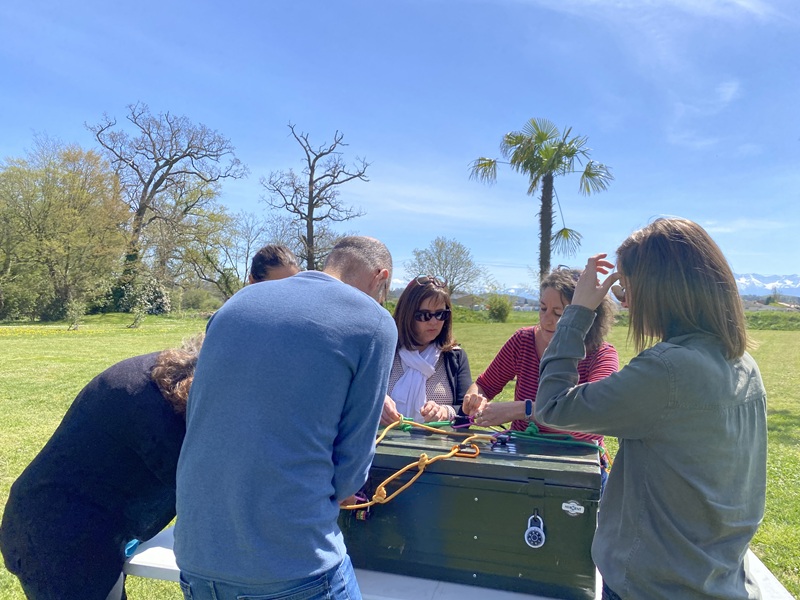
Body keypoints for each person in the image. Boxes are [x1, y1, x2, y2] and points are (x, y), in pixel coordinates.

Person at [535, 218, 767, 600]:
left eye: (626, 287)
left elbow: (552, 406)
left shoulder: (666, 371)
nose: (624, 302)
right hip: (720, 579)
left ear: (660, 289)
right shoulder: (744, 364)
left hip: (651, 585)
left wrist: (578, 313)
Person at [174, 236, 397, 600]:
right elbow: (352, 467)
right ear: (380, 278)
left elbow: (206, 417)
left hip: (197, 557)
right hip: (294, 564)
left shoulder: (237, 303)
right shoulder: (374, 322)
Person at [0, 336, 203, 600]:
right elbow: (207, 493)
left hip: (83, 526)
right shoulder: (149, 405)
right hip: (57, 534)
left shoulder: (167, 375)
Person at [463, 267, 618, 453]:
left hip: (578, 457)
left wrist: (523, 409)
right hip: (521, 450)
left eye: (559, 313)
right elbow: (485, 385)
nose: (546, 320)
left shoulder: (601, 355)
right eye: (543, 308)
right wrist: (474, 399)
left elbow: (594, 412)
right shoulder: (523, 340)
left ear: (585, 316)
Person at [381, 275, 472, 425]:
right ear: (407, 315)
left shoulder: (454, 356)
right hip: (385, 438)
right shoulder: (385, 350)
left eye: (441, 314)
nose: (434, 322)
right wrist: (377, 401)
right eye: (424, 315)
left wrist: (445, 412)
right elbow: (357, 396)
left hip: (440, 439)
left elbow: (468, 412)